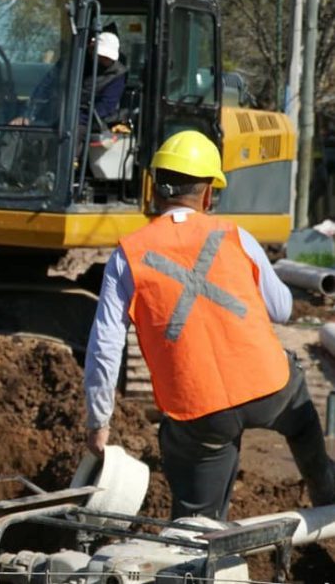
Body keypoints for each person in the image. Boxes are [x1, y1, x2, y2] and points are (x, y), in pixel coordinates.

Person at [83, 130, 335, 520]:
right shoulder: (236, 236)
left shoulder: (127, 255)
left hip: (199, 410)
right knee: (301, 417)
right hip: (270, 387)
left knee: (196, 525)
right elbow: (282, 309)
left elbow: (105, 346)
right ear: (207, 194)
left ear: (154, 188)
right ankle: (327, 494)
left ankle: (199, 547)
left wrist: (99, 422)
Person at [11, 31, 128, 127]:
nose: (105, 60)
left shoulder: (117, 75)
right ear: (92, 50)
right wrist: (27, 115)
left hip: (83, 123)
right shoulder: (70, 62)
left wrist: (74, 119)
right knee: (17, 132)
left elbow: (105, 106)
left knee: (71, 138)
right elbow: (44, 87)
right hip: (53, 114)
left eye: (107, 57)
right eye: (102, 56)